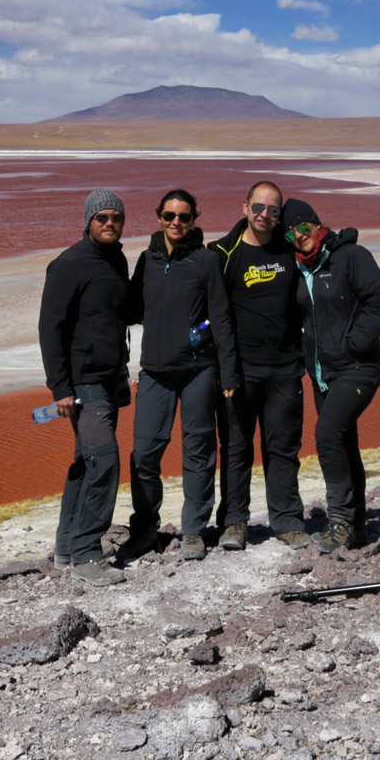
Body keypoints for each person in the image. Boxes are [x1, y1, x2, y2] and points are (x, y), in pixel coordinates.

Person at [126, 188, 240, 561]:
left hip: (198, 371)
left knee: (198, 451)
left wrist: (229, 372)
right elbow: (128, 309)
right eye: (170, 216)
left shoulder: (205, 261)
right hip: (155, 374)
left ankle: (193, 529)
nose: (177, 222)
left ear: (194, 220)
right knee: (144, 453)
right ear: (159, 217)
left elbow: (221, 317)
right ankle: (145, 527)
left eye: (185, 217)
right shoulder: (148, 259)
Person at [38, 188, 138, 587]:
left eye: (116, 217)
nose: (110, 223)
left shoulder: (116, 260)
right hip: (84, 383)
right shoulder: (68, 264)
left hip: (110, 378)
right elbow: (51, 329)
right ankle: (86, 552)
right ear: (88, 221)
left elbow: (124, 314)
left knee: (85, 462)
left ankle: (66, 547)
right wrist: (60, 388)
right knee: (104, 461)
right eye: (102, 218)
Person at [282, 197, 380, 554]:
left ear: (316, 224)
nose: (298, 236)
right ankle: (358, 525)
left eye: (302, 227)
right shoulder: (299, 269)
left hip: (358, 367)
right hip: (322, 373)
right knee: (344, 444)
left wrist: (353, 343)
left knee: (328, 434)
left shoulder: (350, 257)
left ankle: (341, 522)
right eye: (290, 232)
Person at [210, 180, 311, 549]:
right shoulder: (223, 252)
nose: (264, 215)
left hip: (284, 369)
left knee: (283, 447)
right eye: (258, 207)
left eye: (273, 210)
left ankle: (286, 520)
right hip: (239, 373)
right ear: (245, 207)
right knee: (237, 449)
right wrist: (224, 370)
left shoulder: (289, 252)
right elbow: (215, 316)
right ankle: (235, 522)